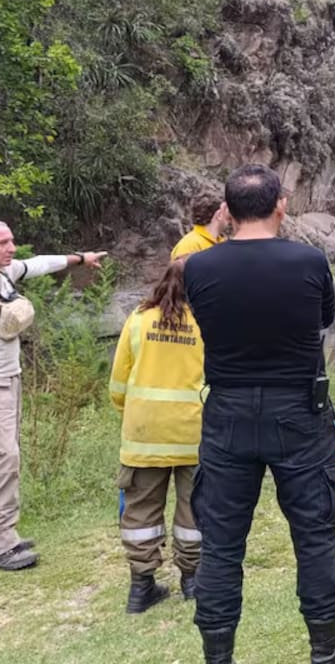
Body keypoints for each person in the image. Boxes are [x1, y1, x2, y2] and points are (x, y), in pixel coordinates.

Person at [184, 165, 335, 664]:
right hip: (299, 414)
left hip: (226, 414)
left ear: (227, 210)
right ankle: (326, 654)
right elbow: (324, 318)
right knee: (314, 537)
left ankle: (218, 658)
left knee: (220, 545)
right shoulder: (307, 262)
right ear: (280, 204)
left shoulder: (199, 266)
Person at [0, 219, 106, 570]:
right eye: (1, 243)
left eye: (11, 241)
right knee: (2, 459)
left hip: (7, 379)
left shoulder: (2, 274)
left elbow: (39, 264)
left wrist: (79, 258)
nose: (11, 248)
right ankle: (1, 544)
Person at [109, 257, 204, 614]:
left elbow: (118, 382)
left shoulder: (138, 319)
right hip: (192, 433)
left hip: (143, 434)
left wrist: (132, 413)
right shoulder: (205, 324)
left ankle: (141, 586)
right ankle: (193, 581)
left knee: (140, 513)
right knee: (195, 508)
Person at [172, 188, 231, 259]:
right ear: (219, 215)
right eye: (226, 209)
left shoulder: (222, 242)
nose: (230, 214)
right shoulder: (188, 246)